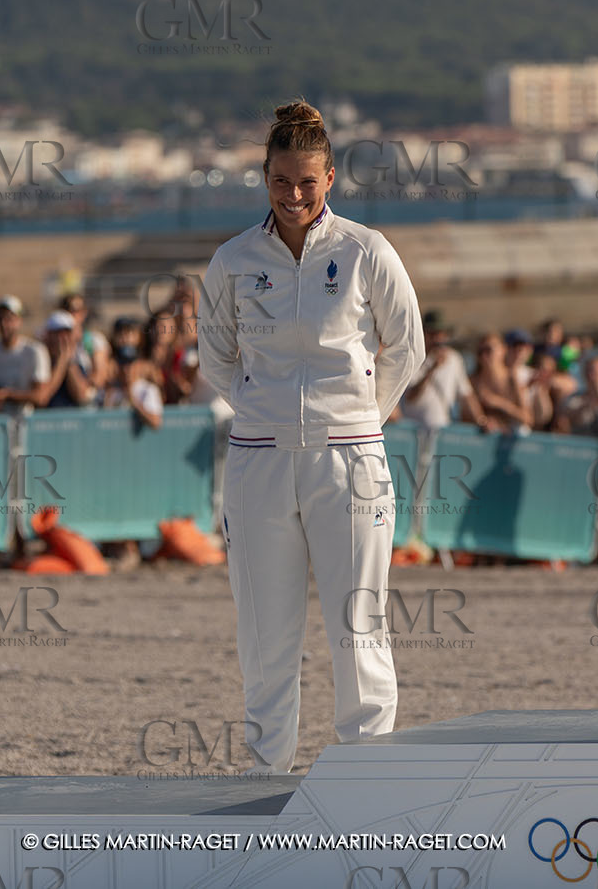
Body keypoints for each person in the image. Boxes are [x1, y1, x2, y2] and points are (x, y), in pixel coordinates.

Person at [198, 101, 424, 775]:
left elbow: (405, 346)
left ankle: (367, 772)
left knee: (359, 626)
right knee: (266, 634)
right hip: (259, 460)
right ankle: (266, 773)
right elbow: (215, 354)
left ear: (330, 179)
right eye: (281, 181)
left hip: (351, 456)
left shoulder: (365, 249)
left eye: (307, 182)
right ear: (264, 176)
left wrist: (360, 416)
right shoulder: (234, 259)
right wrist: (260, 412)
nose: (294, 196)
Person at [402, 311, 488, 432]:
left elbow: (466, 394)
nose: (437, 339)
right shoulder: (412, 358)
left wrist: (481, 420)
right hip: (413, 431)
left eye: (440, 334)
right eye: (432, 334)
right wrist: (432, 369)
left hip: (442, 431)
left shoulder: (454, 359)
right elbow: (410, 398)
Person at [0, 296, 51, 414]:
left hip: (25, 420)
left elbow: (41, 396)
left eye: (9, 319)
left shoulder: (34, 351)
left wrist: (7, 395)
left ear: (19, 320)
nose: (3, 324)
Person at [470, 332, 531, 435]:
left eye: (489, 350)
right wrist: (484, 421)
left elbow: (527, 418)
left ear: (503, 351)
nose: (485, 355)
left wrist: (499, 403)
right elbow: (467, 416)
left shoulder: (512, 378)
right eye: (481, 352)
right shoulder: (473, 381)